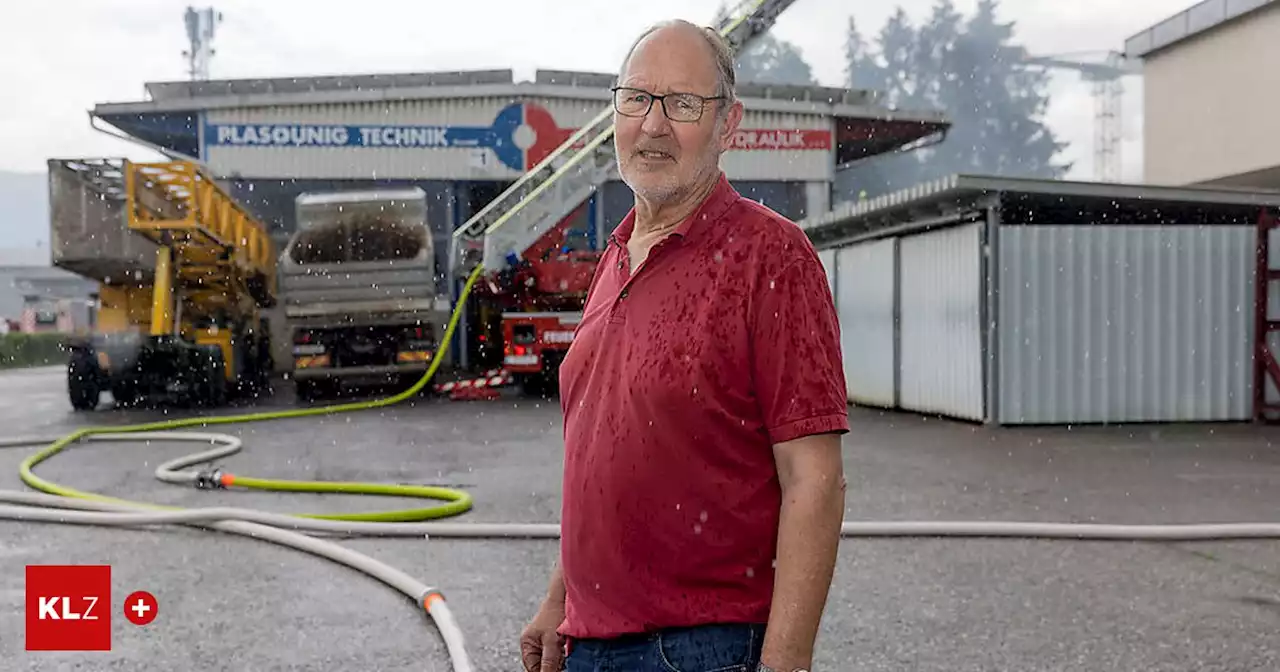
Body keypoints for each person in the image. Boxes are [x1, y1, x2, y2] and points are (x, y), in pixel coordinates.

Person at [519, 18, 849, 672]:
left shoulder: (771, 257)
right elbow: (606, 457)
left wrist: (785, 663)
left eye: (684, 104)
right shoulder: (614, 259)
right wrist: (561, 601)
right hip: (592, 642)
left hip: (699, 649)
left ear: (729, 126)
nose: (654, 123)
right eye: (637, 98)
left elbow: (816, 480)